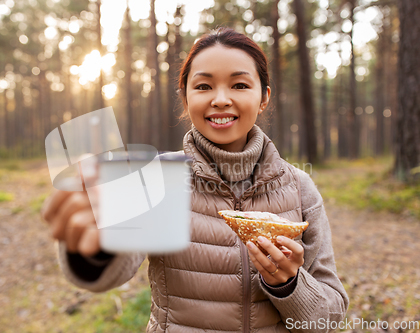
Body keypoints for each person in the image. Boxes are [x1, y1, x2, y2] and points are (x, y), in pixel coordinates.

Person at [41, 27, 349, 332]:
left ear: (263, 97)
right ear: (186, 99)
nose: (220, 100)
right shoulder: (159, 177)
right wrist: (94, 242)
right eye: (203, 86)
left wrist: (289, 283)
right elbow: (112, 273)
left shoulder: (299, 187)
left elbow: (330, 316)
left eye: (240, 85)